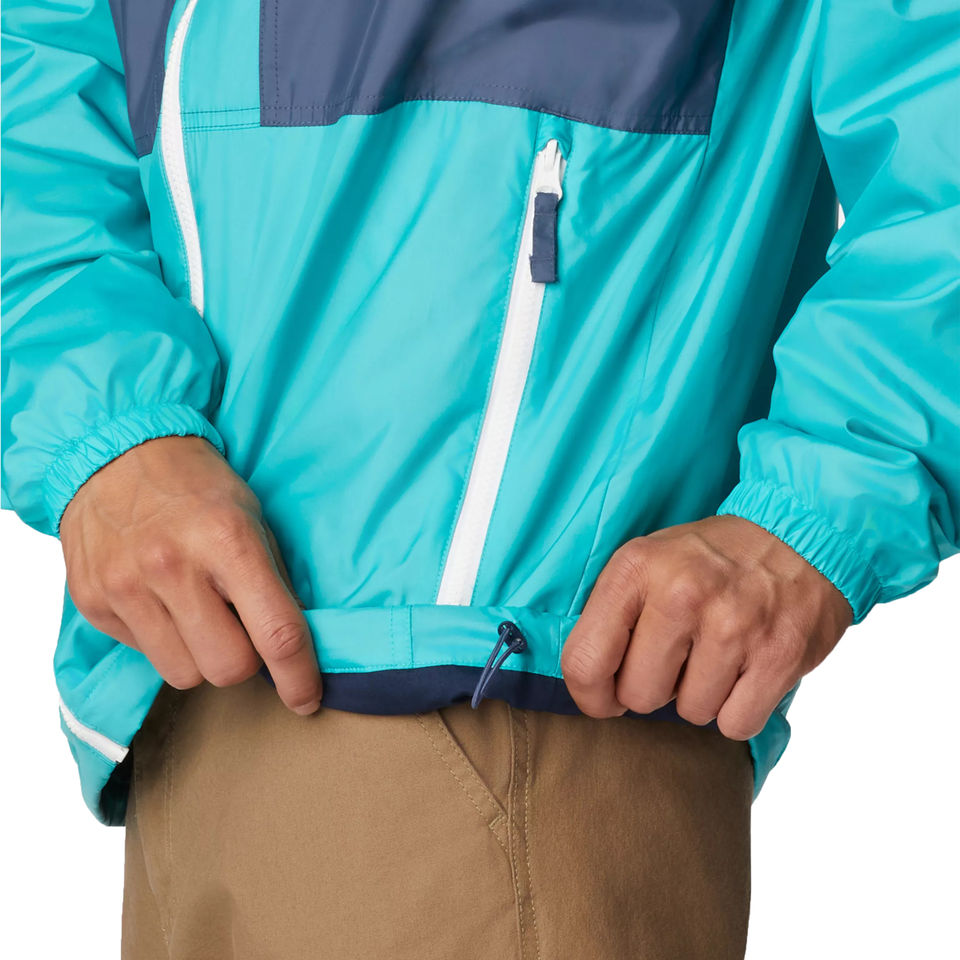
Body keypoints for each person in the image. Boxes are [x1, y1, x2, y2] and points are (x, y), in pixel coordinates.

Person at [2, 0, 957, 957]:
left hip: (511, 695)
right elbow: (43, 53)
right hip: (180, 699)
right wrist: (101, 426)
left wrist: (827, 499)